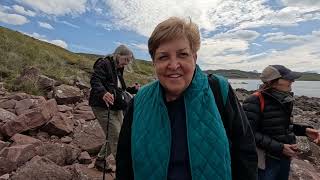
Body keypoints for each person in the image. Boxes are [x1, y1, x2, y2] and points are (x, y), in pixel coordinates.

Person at [116, 17, 258, 180]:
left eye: (182, 54)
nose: (174, 65)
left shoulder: (218, 90)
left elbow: (245, 152)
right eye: (163, 57)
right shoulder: (140, 100)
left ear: (194, 58)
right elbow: (124, 160)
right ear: (154, 62)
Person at [243, 65, 320, 180]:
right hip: (266, 161)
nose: (292, 81)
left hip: (285, 157)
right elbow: (248, 133)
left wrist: (306, 131)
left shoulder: (285, 99)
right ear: (272, 81)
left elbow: (282, 126)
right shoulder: (254, 101)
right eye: (288, 78)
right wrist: (280, 147)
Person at [89, 44, 139, 171]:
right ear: (118, 55)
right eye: (126, 59)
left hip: (116, 107)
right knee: (116, 137)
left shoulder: (118, 68)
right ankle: (125, 171)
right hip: (102, 107)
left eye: (129, 60)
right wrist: (103, 93)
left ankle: (100, 160)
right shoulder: (104, 63)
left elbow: (119, 89)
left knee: (119, 135)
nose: (127, 63)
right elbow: (95, 80)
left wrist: (132, 89)